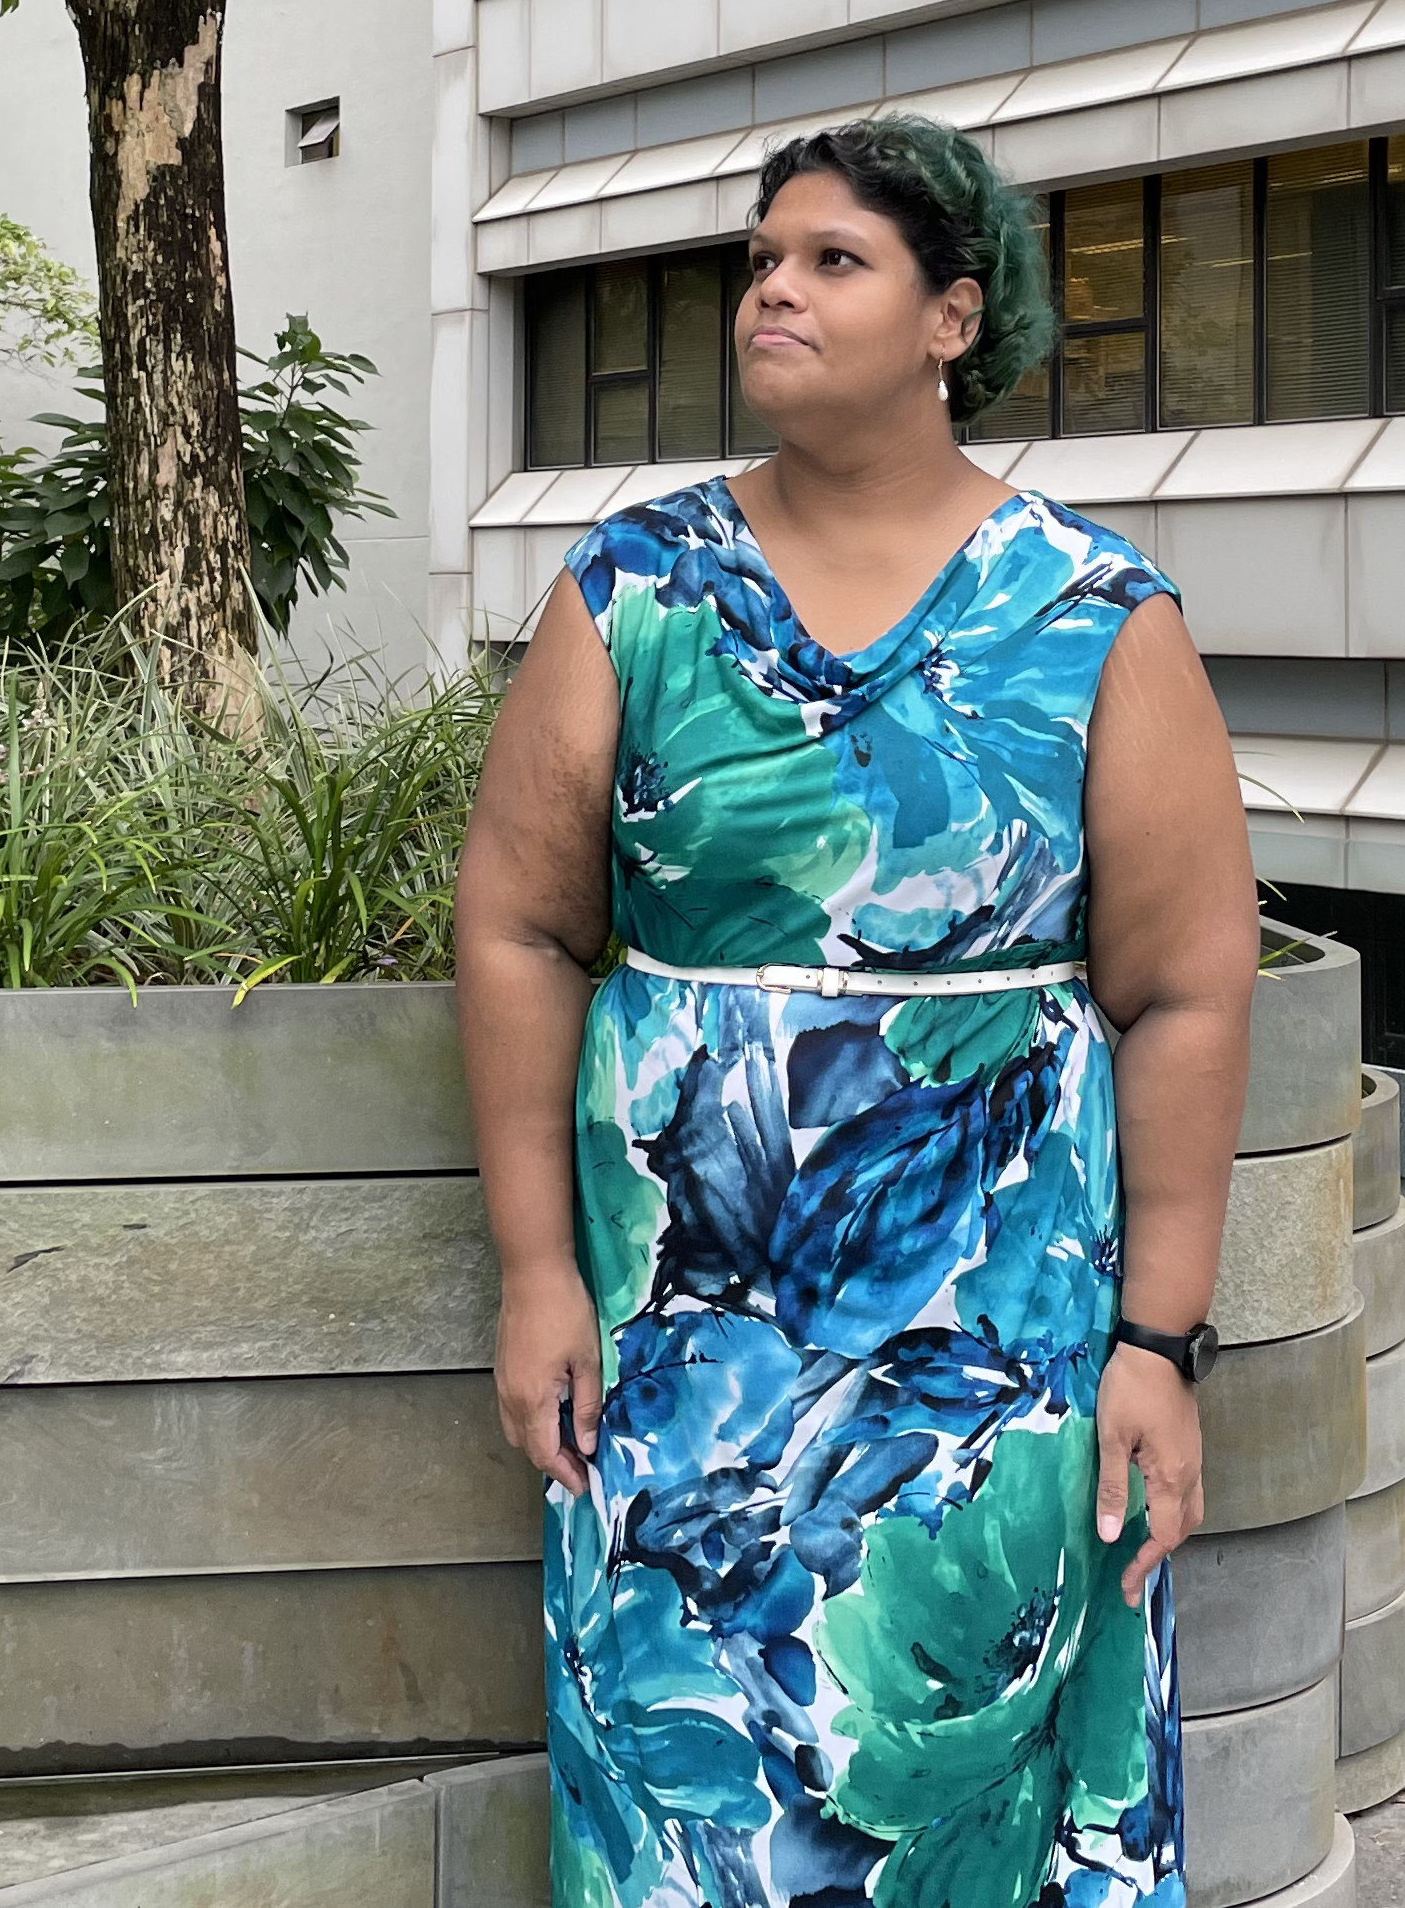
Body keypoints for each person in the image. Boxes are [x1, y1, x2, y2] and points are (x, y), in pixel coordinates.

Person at [454, 112, 1261, 1908]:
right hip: (682, 1327)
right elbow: (515, 924)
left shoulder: (1090, 611)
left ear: (952, 319)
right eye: (762, 258)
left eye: (833, 260)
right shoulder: (636, 585)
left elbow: (1187, 986)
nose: (774, 291)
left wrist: (1161, 1342)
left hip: (999, 1347)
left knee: (971, 1774)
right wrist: (535, 1269)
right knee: (685, 1792)